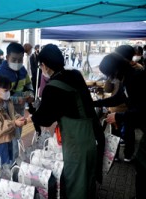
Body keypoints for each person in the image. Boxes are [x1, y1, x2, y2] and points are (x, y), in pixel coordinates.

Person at [27, 44, 104, 199]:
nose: (41, 68)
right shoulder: (75, 74)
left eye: (41, 65)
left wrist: (31, 116)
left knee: (76, 182)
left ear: (46, 65)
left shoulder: (52, 87)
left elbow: (46, 119)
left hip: (76, 145)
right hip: (92, 137)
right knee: (88, 178)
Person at [99, 52, 146, 199]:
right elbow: (118, 99)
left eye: (108, 74)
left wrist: (118, 116)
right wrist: (95, 103)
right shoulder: (128, 79)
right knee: (142, 167)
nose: (109, 78)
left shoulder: (137, 78)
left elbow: (144, 110)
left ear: (115, 70)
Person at [0, 42, 34, 163]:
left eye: (20, 59)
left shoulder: (23, 70)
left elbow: (28, 84)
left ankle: (13, 163)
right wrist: (18, 98)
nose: (17, 63)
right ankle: (12, 164)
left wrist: (30, 93)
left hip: (20, 111)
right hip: (6, 113)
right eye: (14, 59)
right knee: (10, 139)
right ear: (7, 58)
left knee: (16, 137)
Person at [0, 75, 26, 172]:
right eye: (5, 90)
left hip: (7, 139)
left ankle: (3, 184)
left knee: (5, 165)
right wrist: (14, 123)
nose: (8, 92)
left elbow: (13, 114)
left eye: (9, 90)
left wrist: (19, 118)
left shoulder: (7, 101)